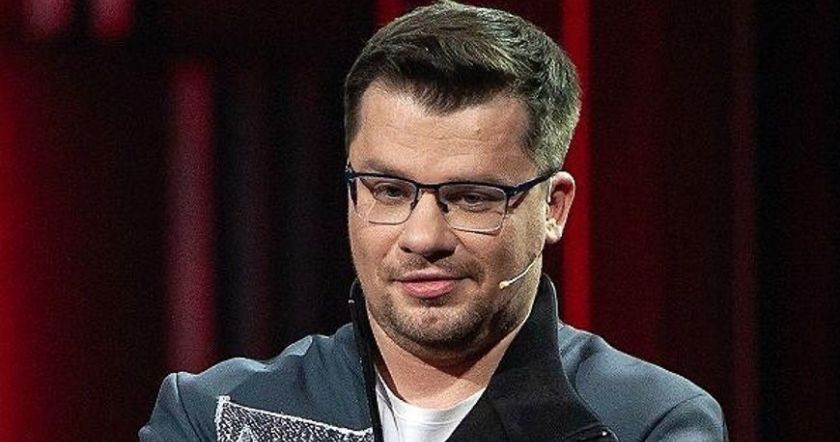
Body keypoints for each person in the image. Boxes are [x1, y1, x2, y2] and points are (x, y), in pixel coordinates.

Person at [140, 1, 727, 441]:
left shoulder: (647, 423)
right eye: (389, 191)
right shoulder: (215, 416)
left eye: (471, 198)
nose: (423, 238)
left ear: (553, 208)